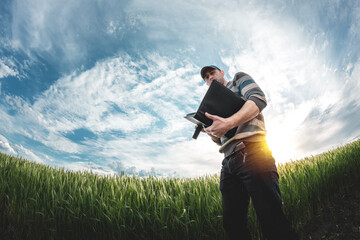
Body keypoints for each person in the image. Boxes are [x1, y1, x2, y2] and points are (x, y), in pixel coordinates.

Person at [200, 65, 298, 240]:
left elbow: (258, 99)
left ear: (221, 73)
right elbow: (219, 139)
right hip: (228, 162)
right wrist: (210, 130)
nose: (210, 78)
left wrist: (229, 122)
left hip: (253, 152)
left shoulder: (238, 79)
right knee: (233, 225)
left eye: (212, 73)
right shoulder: (212, 104)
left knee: (272, 221)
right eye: (206, 78)